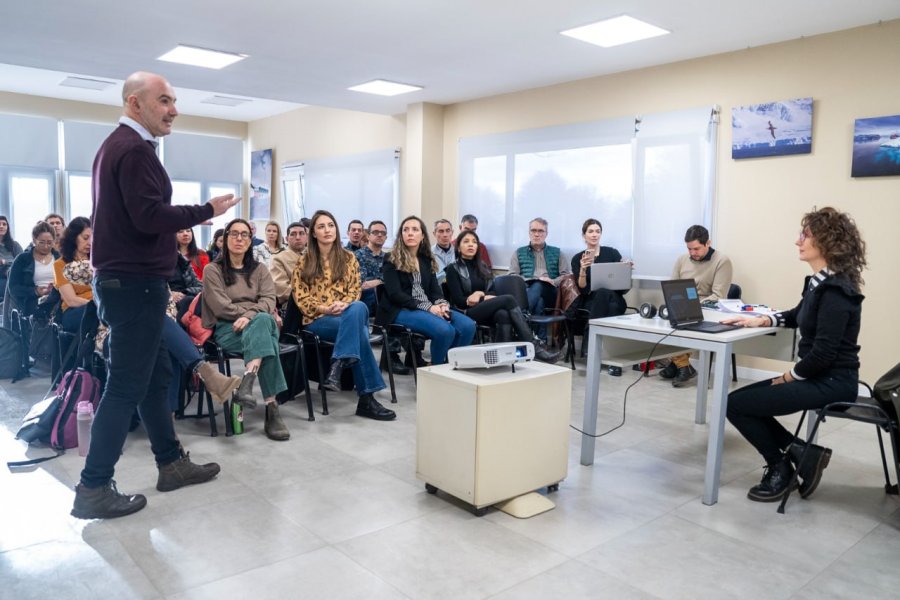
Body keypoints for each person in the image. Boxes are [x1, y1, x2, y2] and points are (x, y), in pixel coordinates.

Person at [72, 71, 241, 521]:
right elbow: (149, 216)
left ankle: (170, 463)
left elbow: (137, 215)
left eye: (173, 101)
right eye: (164, 100)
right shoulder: (131, 149)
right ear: (135, 104)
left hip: (127, 283)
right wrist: (206, 210)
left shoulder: (123, 147)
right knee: (126, 384)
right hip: (133, 284)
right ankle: (92, 488)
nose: (174, 109)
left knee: (156, 375)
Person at [723, 207, 866, 503]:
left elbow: (824, 354)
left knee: (736, 405)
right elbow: (797, 315)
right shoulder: (819, 283)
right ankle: (803, 454)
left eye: (805, 235)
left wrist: (788, 377)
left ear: (826, 242)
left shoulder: (837, 291)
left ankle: (782, 468)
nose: (798, 241)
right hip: (818, 375)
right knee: (737, 403)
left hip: (833, 381)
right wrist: (764, 320)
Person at [293, 210, 396, 420]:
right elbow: (301, 299)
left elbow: (354, 291)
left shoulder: (349, 258)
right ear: (313, 233)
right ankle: (366, 398)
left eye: (330, 225)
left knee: (357, 307)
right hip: (317, 320)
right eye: (321, 226)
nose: (327, 230)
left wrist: (344, 304)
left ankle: (338, 363)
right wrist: (326, 309)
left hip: (347, 314)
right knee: (360, 333)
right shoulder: (304, 262)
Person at [202, 218, 290, 441]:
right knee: (267, 336)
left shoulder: (260, 269)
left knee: (262, 321)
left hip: (256, 323)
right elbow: (220, 305)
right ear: (225, 239)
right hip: (228, 329)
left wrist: (250, 315)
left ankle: (248, 382)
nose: (239, 239)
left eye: (244, 234)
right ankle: (272, 408)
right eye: (234, 234)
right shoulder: (212, 270)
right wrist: (252, 313)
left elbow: (270, 299)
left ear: (251, 240)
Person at [445, 230, 559, 363]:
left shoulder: (483, 267)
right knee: (508, 299)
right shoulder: (453, 269)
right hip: (465, 312)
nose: (471, 245)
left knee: (503, 314)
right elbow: (460, 300)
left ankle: (503, 359)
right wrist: (480, 298)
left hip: (484, 308)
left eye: (474, 242)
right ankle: (534, 346)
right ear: (458, 247)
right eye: (466, 242)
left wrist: (480, 295)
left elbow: (492, 292)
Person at [375, 216, 476, 366]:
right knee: (445, 331)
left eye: (415, 229)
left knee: (468, 326)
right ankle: (436, 370)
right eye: (406, 230)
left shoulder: (426, 259)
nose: (410, 233)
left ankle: (452, 365)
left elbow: (435, 289)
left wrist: (442, 304)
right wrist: (428, 307)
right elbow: (395, 294)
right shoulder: (391, 258)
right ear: (401, 235)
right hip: (400, 309)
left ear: (422, 235)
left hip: (427, 307)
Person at [660, 225, 733, 387]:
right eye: (689, 249)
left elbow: (718, 295)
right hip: (682, 305)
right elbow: (672, 287)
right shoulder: (681, 260)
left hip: (708, 307)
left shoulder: (722, 261)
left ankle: (678, 365)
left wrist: (692, 305)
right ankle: (682, 365)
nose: (692, 253)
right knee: (663, 319)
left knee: (683, 321)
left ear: (708, 243)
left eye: (696, 249)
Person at [354, 220, 409, 375]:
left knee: (402, 301)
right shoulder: (358, 256)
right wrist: (384, 281)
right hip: (366, 300)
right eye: (375, 232)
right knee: (392, 304)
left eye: (383, 233)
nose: (379, 235)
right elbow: (363, 284)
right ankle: (391, 356)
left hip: (386, 298)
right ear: (368, 235)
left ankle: (413, 353)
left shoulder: (391, 258)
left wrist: (379, 281)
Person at [507, 217, 570, 340]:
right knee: (539, 300)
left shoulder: (557, 252)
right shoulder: (519, 252)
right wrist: (529, 280)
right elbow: (512, 275)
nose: (537, 234)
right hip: (527, 291)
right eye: (533, 230)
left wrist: (552, 281)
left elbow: (566, 276)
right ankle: (539, 341)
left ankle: (519, 316)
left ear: (546, 233)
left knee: (539, 285)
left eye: (541, 231)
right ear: (529, 232)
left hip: (551, 293)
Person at [571, 219, 629, 320]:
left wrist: (626, 270)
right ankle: (592, 333)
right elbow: (583, 289)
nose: (595, 235)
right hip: (591, 300)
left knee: (604, 292)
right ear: (584, 235)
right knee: (609, 306)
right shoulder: (577, 258)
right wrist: (583, 270)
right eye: (591, 231)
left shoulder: (612, 253)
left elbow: (623, 288)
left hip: (614, 298)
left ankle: (588, 333)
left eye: (598, 231)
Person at [5, 222, 58, 327]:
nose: (46, 246)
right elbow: (13, 288)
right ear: (34, 240)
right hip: (31, 301)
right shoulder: (22, 259)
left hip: (56, 297)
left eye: (49, 242)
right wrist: (35, 291)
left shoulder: (59, 258)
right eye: (42, 242)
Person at [53, 217, 94, 332]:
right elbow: (71, 300)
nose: (90, 243)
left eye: (92, 238)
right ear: (73, 238)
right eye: (86, 238)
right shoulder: (60, 264)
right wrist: (97, 305)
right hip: (74, 310)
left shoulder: (96, 262)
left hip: (98, 307)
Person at [270, 221, 307, 306]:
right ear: (287, 239)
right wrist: (308, 297)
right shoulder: (278, 258)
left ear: (307, 237)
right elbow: (282, 290)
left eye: (301, 233)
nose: (298, 237)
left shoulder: (315, 256)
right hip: (293, 303)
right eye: (293, 234)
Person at [0, 215, 24, 294]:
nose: (1, 226)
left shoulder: (14, 245)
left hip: (13, 272)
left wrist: (5, 262)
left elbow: (23, 262)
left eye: (4, 224)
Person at [431, 219, 456, 284]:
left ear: (452, 232)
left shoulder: (459, 253)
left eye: (448, 231)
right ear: (434, 234)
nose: (445, 235)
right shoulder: (428, 254)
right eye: (441, 231)